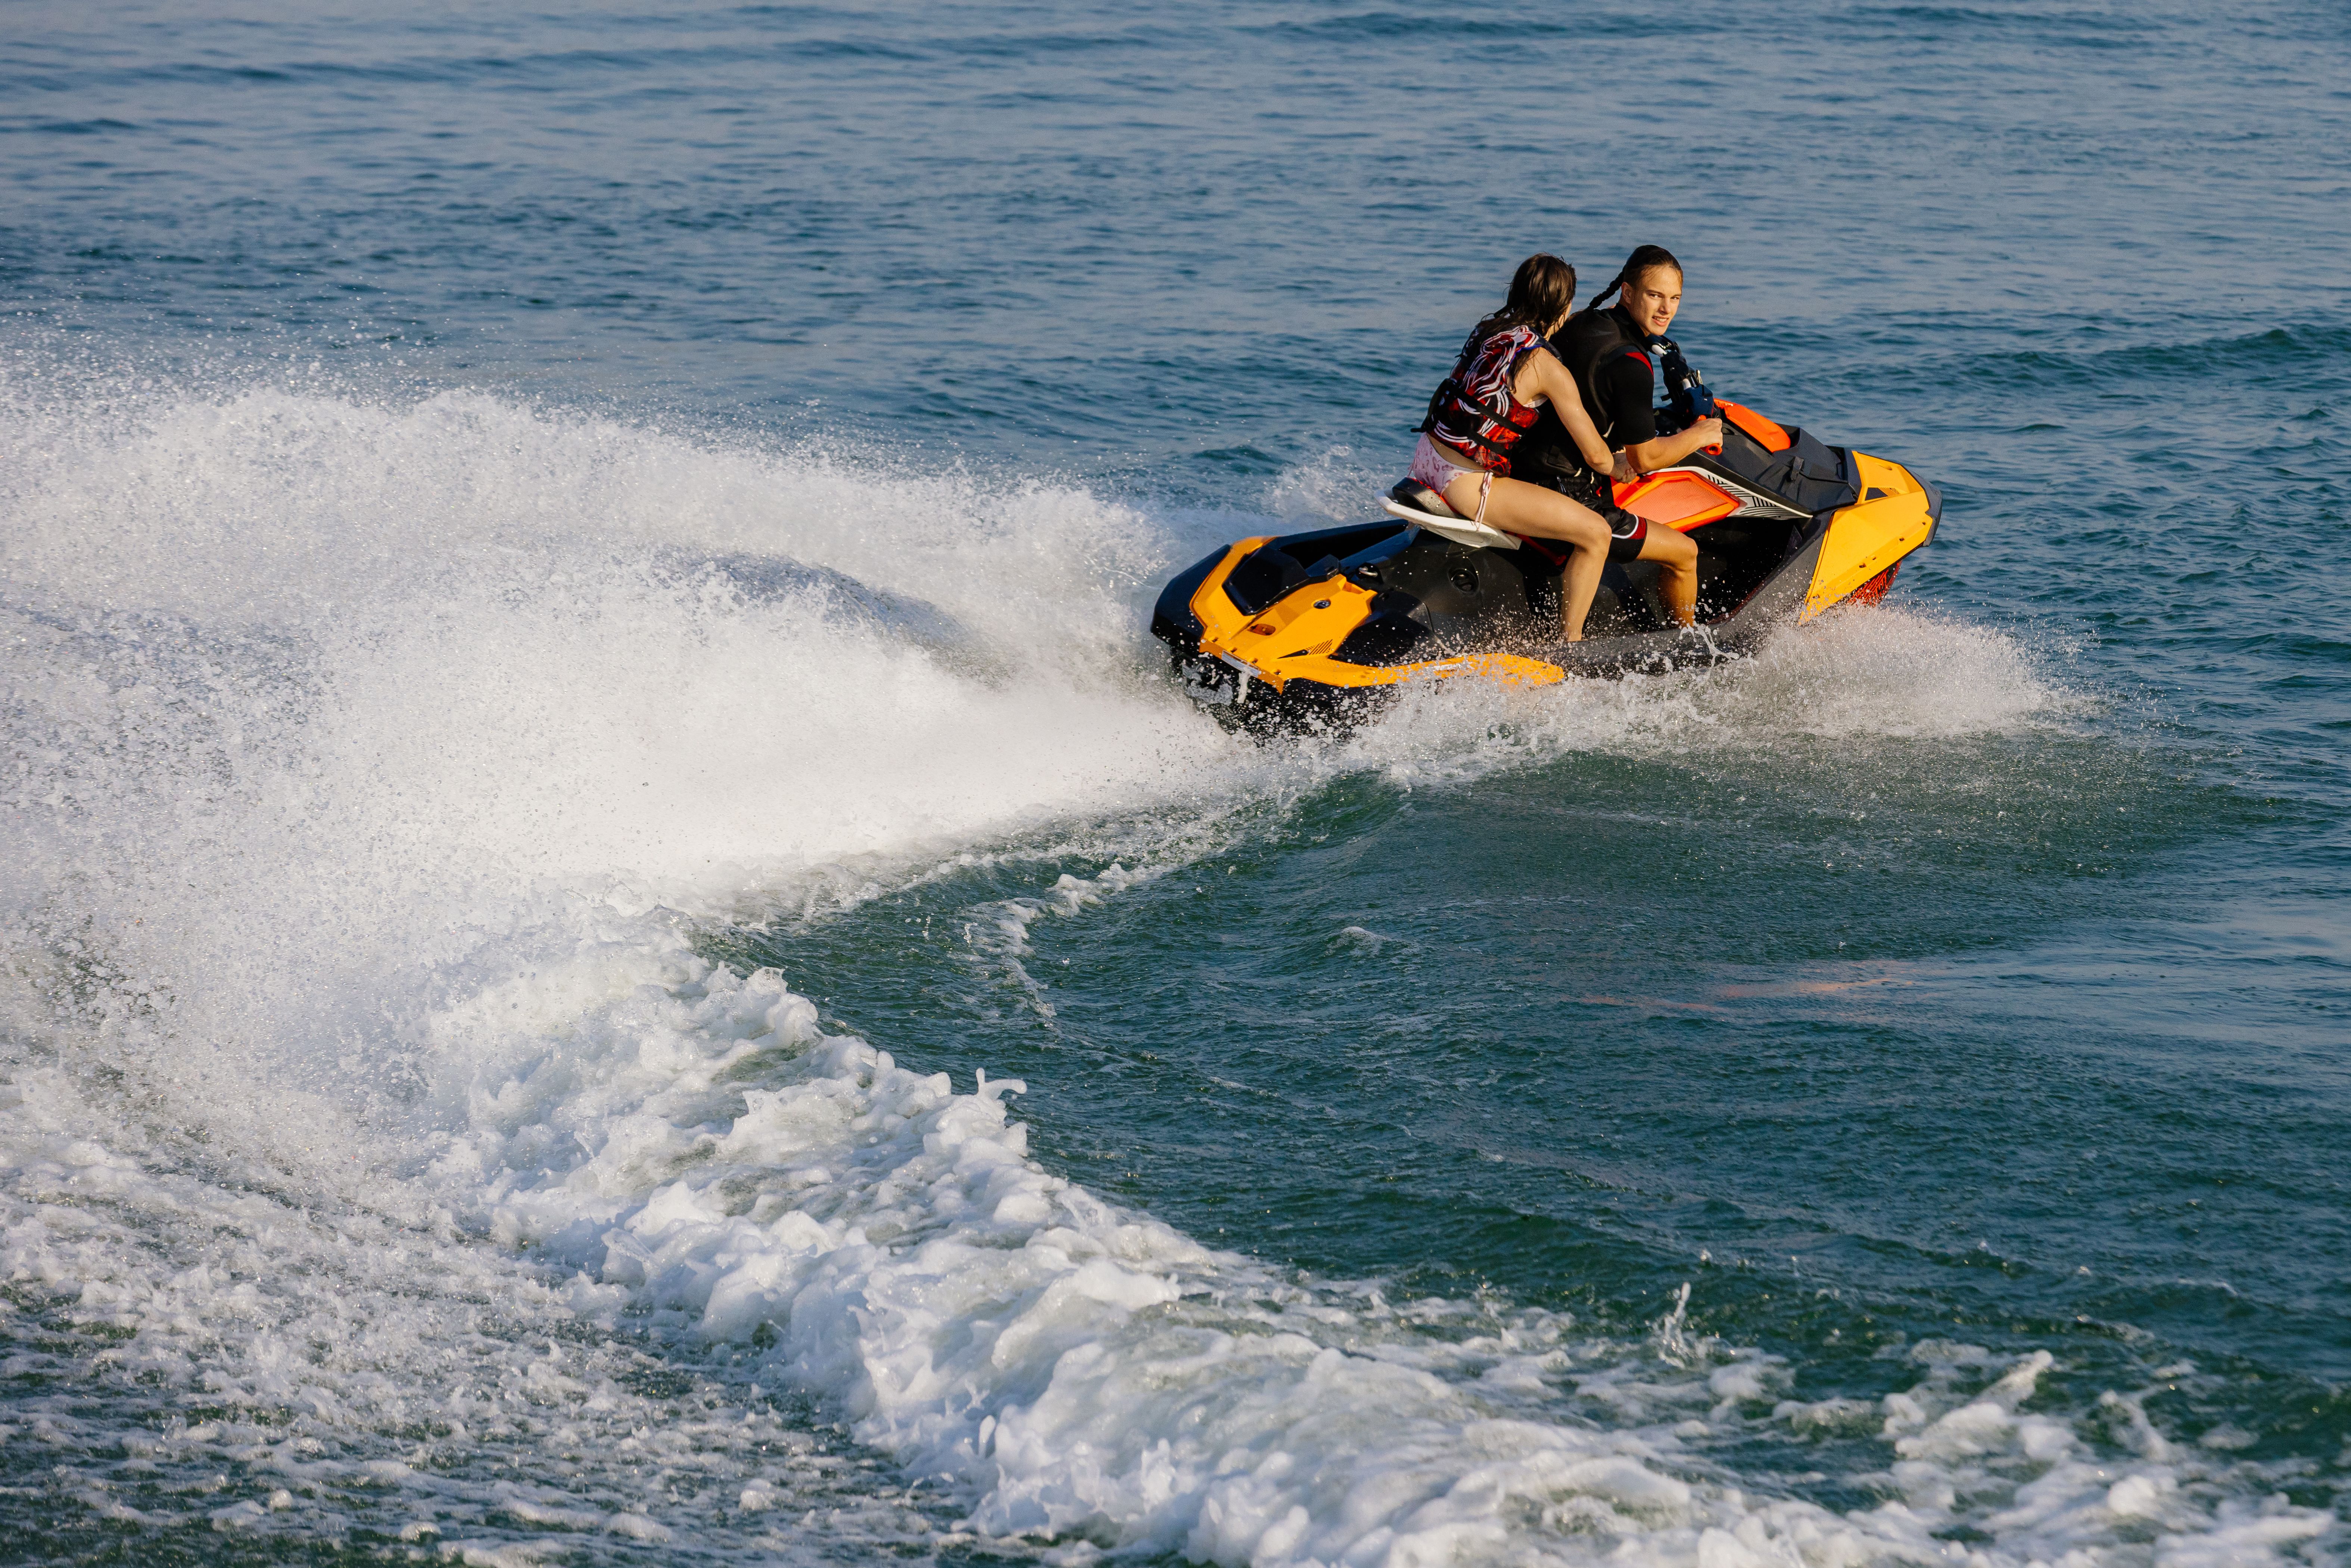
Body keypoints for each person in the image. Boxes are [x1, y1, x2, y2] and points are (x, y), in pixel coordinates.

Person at [1407, 254, 1638, 642]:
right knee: (1596, 533)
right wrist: (1620, 467)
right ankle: (1572, 645)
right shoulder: (1547, 367)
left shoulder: (1490, 330)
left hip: (1427, 457)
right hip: (1466, 483)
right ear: (1563, 307)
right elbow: (1597, 456)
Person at [1512, 245, 1719, 630]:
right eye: (1654, 295)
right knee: (1684, 553)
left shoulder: (1583, 322)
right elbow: (1647, 459)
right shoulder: (1631, 363)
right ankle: (1686, 646)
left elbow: (1587, 402)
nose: (1666, 309)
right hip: (1568, 492)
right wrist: (1698, 434)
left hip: (1522, 469)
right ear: (1627, 292)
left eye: (1674, 298)